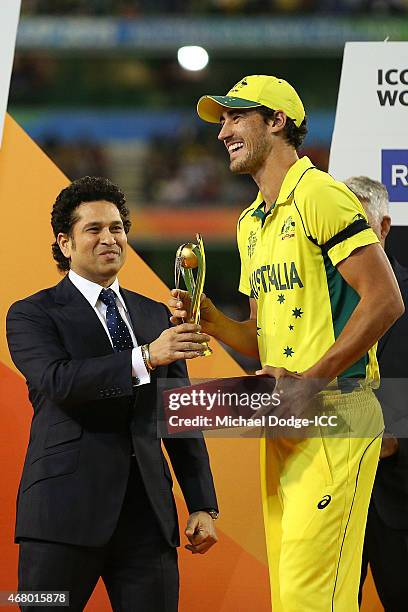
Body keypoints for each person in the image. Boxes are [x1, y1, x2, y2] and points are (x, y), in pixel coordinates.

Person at [169, 75, 404, 611]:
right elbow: (260, 337)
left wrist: (313, 381)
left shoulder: (320, 194)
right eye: (222, 120)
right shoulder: (250, 223)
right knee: (299, 595)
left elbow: (386, 300)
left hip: (336, 412)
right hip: (286, 417)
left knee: (307, 597)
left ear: (276, 122)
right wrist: (210, 320)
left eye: (236, 116)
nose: (224, 130)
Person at [6, 176, 218, 612]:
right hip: (60, 517)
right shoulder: (31, 313)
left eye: (117, 228)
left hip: (148, 519)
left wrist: (201, 503)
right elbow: (59, 381)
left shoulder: (154, 312)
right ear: (65, 243)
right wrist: (146, 357)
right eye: (94, 229)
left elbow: (179, 413)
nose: (110, 239)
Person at [345, 176, 408, 611]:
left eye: (354, 227)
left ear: (383, 228)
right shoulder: (315, 301)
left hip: (399, 501)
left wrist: (393, 435)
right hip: (332, 498)